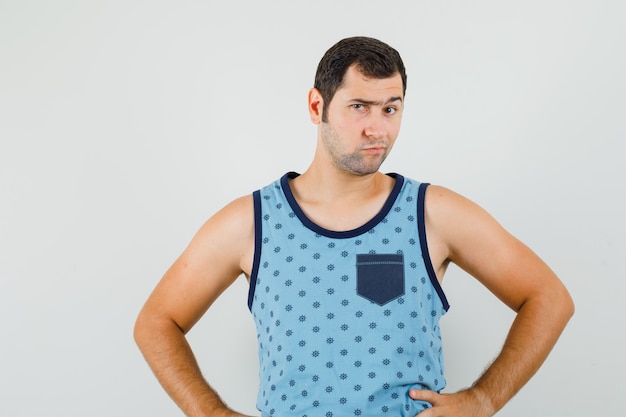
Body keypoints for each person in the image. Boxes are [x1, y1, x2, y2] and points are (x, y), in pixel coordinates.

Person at [134, 36, 574, 417]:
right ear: (316, 106)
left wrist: (483, 400)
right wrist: (211, 412)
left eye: (390, 108)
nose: (376, 129)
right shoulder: (251, 222)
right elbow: (157, 321)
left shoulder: (432, 214)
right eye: (359, 107)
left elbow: (549, 298)